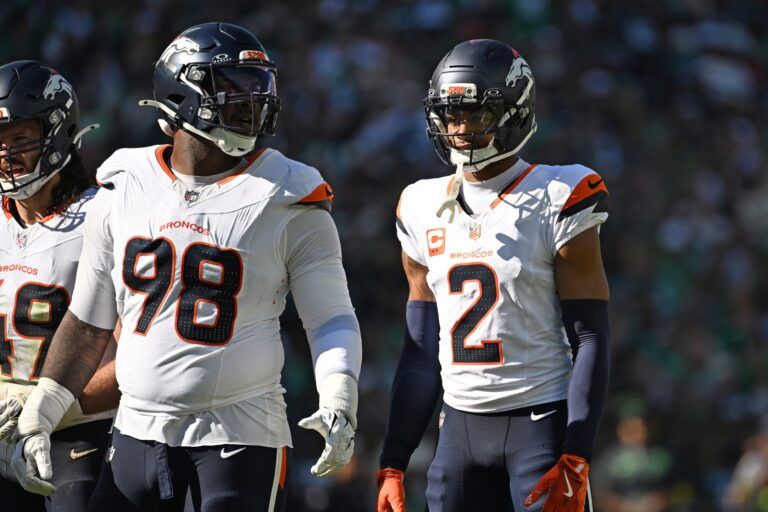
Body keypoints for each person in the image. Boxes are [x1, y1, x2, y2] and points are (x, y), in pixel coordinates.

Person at [11, 23, 362, 512]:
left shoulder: (290, 193)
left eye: (260, 86)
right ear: (182, 92)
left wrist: (339, 394)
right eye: (235, 87)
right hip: (133, 432)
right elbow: (90, 322)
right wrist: (42, 413)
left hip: (239, 435)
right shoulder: (124, 181)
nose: (254, 100)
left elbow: (330, 317)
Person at [376, 39, 610, 512]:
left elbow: (590, 337)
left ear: (514, 112)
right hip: (457, 432)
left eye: (474, 114)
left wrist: (578, 452)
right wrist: (394, 459)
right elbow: (421, 349)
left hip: (541, 426)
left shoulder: (561, 193)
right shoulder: (419, 204)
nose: (458, 129)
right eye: (449, 114)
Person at [0, 60, 119, 511]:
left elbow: (141, 356)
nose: (7, 153)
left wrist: (49, 408)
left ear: (57, 131)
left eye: (20, 138)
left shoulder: (104, 217)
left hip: (80, 434)